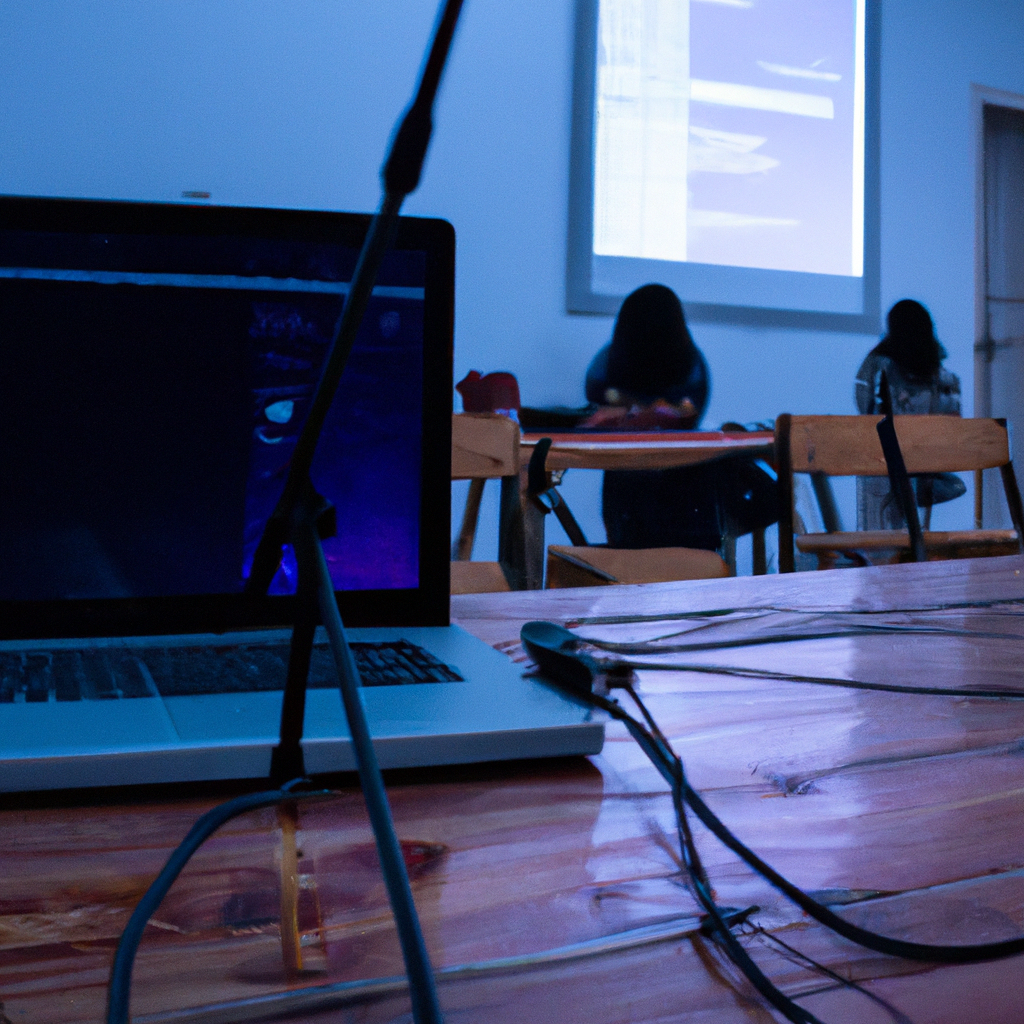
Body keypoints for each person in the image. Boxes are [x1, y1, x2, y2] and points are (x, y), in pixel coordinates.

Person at [584, 283, 775, 552]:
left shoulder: (681, 373)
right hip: (648, 480)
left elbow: (684, 409)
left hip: (662, 480)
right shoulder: (614, 373)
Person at [855, 298, 964, 529]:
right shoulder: (946, 378)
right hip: (927, 470)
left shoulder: (876, 366)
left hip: (881, 466)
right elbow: (952, 429)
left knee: (882, 538)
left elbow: (865, 409)